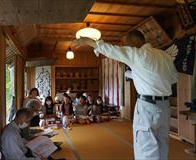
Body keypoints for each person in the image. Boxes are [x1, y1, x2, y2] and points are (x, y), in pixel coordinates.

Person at [73, 30, 179, 160]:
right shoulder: (164, 55)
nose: (127, 47)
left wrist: (87, 41)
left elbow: (111, 50)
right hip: (165, 107)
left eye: (128, 44)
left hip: (147, 107)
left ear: (133, 43)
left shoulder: (137, 54)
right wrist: (143, 76)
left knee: (146, 148)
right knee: (163, 145)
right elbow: (174, 78)